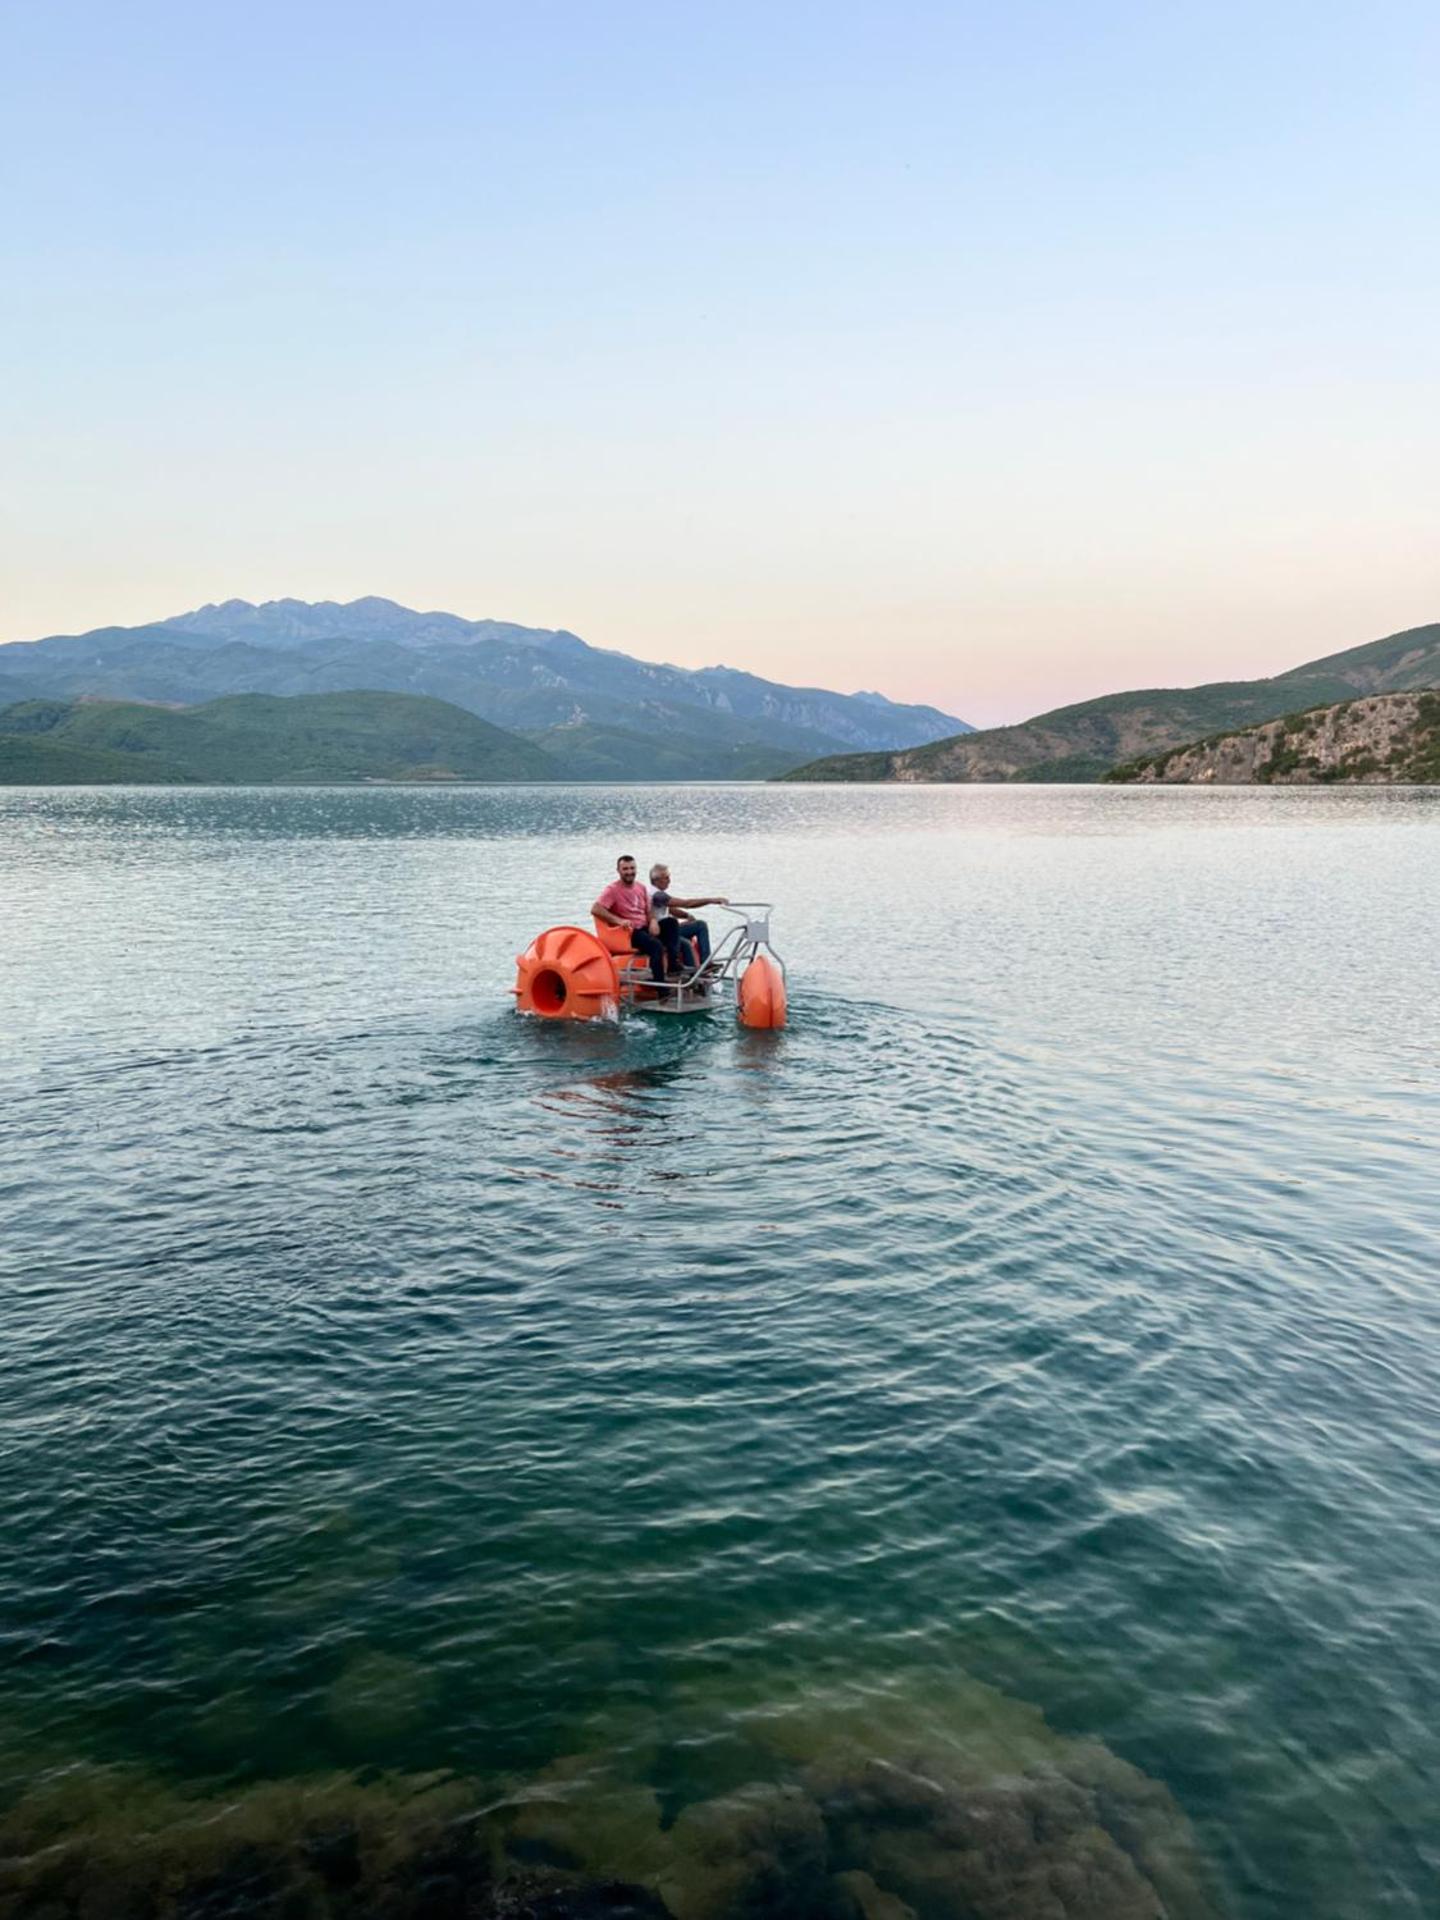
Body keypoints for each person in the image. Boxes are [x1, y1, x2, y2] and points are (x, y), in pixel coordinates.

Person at [592, 854, 681, 985]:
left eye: (632, 868)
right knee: (656, 945)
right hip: (629, 932)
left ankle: (672, 965)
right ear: (619, 871)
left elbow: (649, 910)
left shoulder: (641, 887)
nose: (629, 872)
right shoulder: (612, 890)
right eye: (625, 869)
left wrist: (653, 921)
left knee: (671, 923)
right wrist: (619, 921)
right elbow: (596, 909)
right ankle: (662, 989)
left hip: (644, 928)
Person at [648, 863, 728, 973]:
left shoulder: (656, 894)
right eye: (666, 878)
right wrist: (711, 900)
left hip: (666, 931)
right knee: (699, 927)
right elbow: (687, 903)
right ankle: (704, 964)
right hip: (663, 932)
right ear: (656, 880)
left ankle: (698, 970)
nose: (669, 880)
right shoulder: (657, 895)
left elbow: (671, 909)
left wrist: (686, 916)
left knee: (690, 936)